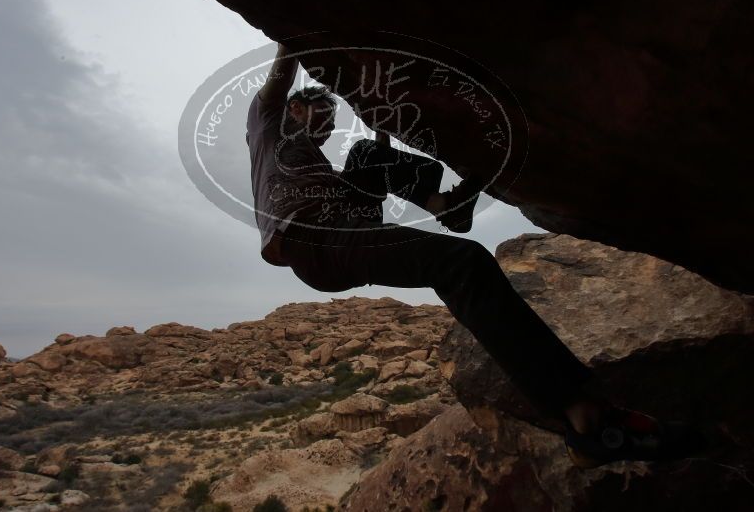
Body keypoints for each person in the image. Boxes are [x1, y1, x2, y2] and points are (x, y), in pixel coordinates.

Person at [246, 42, 707, 469]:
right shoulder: (269, 123)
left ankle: (444, 206)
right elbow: (281, 73)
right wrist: (298, 33)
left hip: (347, 230)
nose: (325, 130)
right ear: (295, 108)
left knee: (367, 152)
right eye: (320, 119)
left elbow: (372, 179)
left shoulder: (314, 160)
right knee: (462, 264)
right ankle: (585, 421)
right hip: (316, 238)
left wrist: (384, 133)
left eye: (330, 123)